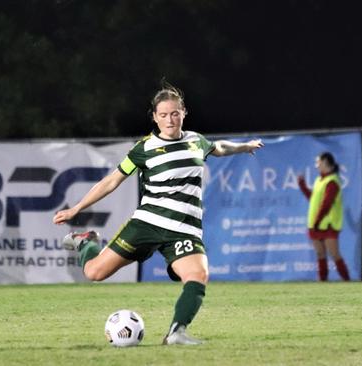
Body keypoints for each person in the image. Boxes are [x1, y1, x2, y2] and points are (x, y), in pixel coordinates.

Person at [53, 83, 264, 345]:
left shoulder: (196, 141)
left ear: (184, 112)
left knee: (198, 276)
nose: (169, 119)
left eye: (175, 113)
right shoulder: (145, 148)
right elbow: (111, 181)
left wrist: (244, 147)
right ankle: (86, 242)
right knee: (94, 273)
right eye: (163, 115)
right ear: (154, 117)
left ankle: (176, 333)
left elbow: (219, 147)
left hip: (185, 229)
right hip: (147, 224)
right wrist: (76, 208)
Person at [297, 152, 351, 281]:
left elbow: (327, 204)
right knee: (320, 254)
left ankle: (347, 281)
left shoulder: (332, 181)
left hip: (328, 224)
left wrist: (317, 220)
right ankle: (323, 281)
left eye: (318, 162)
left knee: (335, 255)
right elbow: (314, 199)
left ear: (326, 162)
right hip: (315, 224)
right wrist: (302, 185)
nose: (316, 166)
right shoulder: (319, 180)